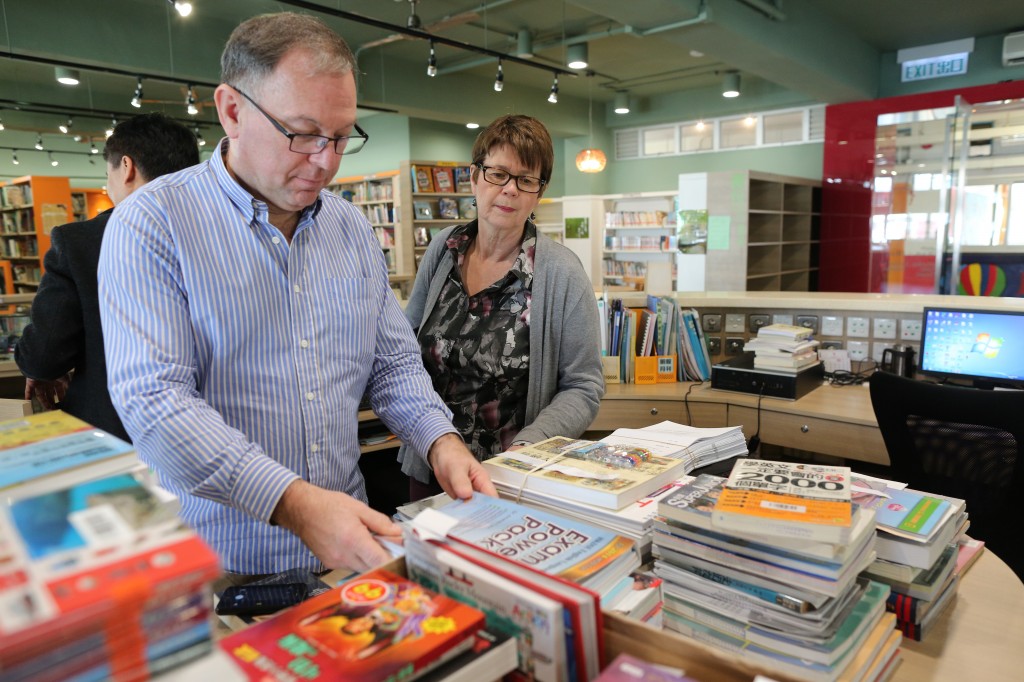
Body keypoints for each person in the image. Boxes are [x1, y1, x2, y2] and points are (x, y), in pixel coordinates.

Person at [97, 12, 495, 577]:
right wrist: (294, 504)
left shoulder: (350, 228)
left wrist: (440, 440)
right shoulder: (152, 224)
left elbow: (393, 364)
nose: (326, 161)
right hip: (224, 564)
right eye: (303, 133)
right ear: (232, 111)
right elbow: (155, 402)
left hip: (348, 552)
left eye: (341, 137)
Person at [398, 114, 604, 501]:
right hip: (431, 466)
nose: (510, 189)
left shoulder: (561, 273)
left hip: (510, 481)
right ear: (475, 177)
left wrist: (529, 449)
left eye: (526, 180)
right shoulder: (443, 250)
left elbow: (583, 386)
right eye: (498, 174)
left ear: (538, 193)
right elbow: (406, 349)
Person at [14, 113, 200, 442]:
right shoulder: (224, 235)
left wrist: (39, 368)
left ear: (126, 167)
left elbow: (43, 356)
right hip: (212, 430)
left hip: (114, 434)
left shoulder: (80, 242)